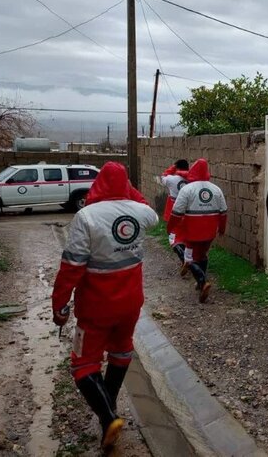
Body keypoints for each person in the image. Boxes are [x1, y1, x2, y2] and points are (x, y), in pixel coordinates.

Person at [51, 162, 158, 450]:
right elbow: (146, 205)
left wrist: (59, 305)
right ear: (126, 185)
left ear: (98, 184)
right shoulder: (141, 213)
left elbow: (71, 267)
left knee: (83, 363)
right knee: (121, 351)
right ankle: (107, 413)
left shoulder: (86, 216)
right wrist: (126, 190)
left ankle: (108, 416)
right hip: (131, 303)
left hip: (97, 306)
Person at [167, 158, 227, 303]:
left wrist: (170, 227)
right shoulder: (216, 189)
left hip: (192, 230)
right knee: (202, 255)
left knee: (189, 258)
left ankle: (202, 281)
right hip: (210, 230)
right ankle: (200, 284)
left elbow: (177, 212)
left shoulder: (187, 189)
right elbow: (223, 211)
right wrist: (222, 228)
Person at [160, 159, 189, 262]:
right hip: (189, 212)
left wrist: (172, 169)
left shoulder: (171, 179)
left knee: (173, 236)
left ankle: (183, 257)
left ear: (177, 168)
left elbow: (162, 177)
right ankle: (189, 257)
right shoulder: (192, 179)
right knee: (187, 236)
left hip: (175, 212)